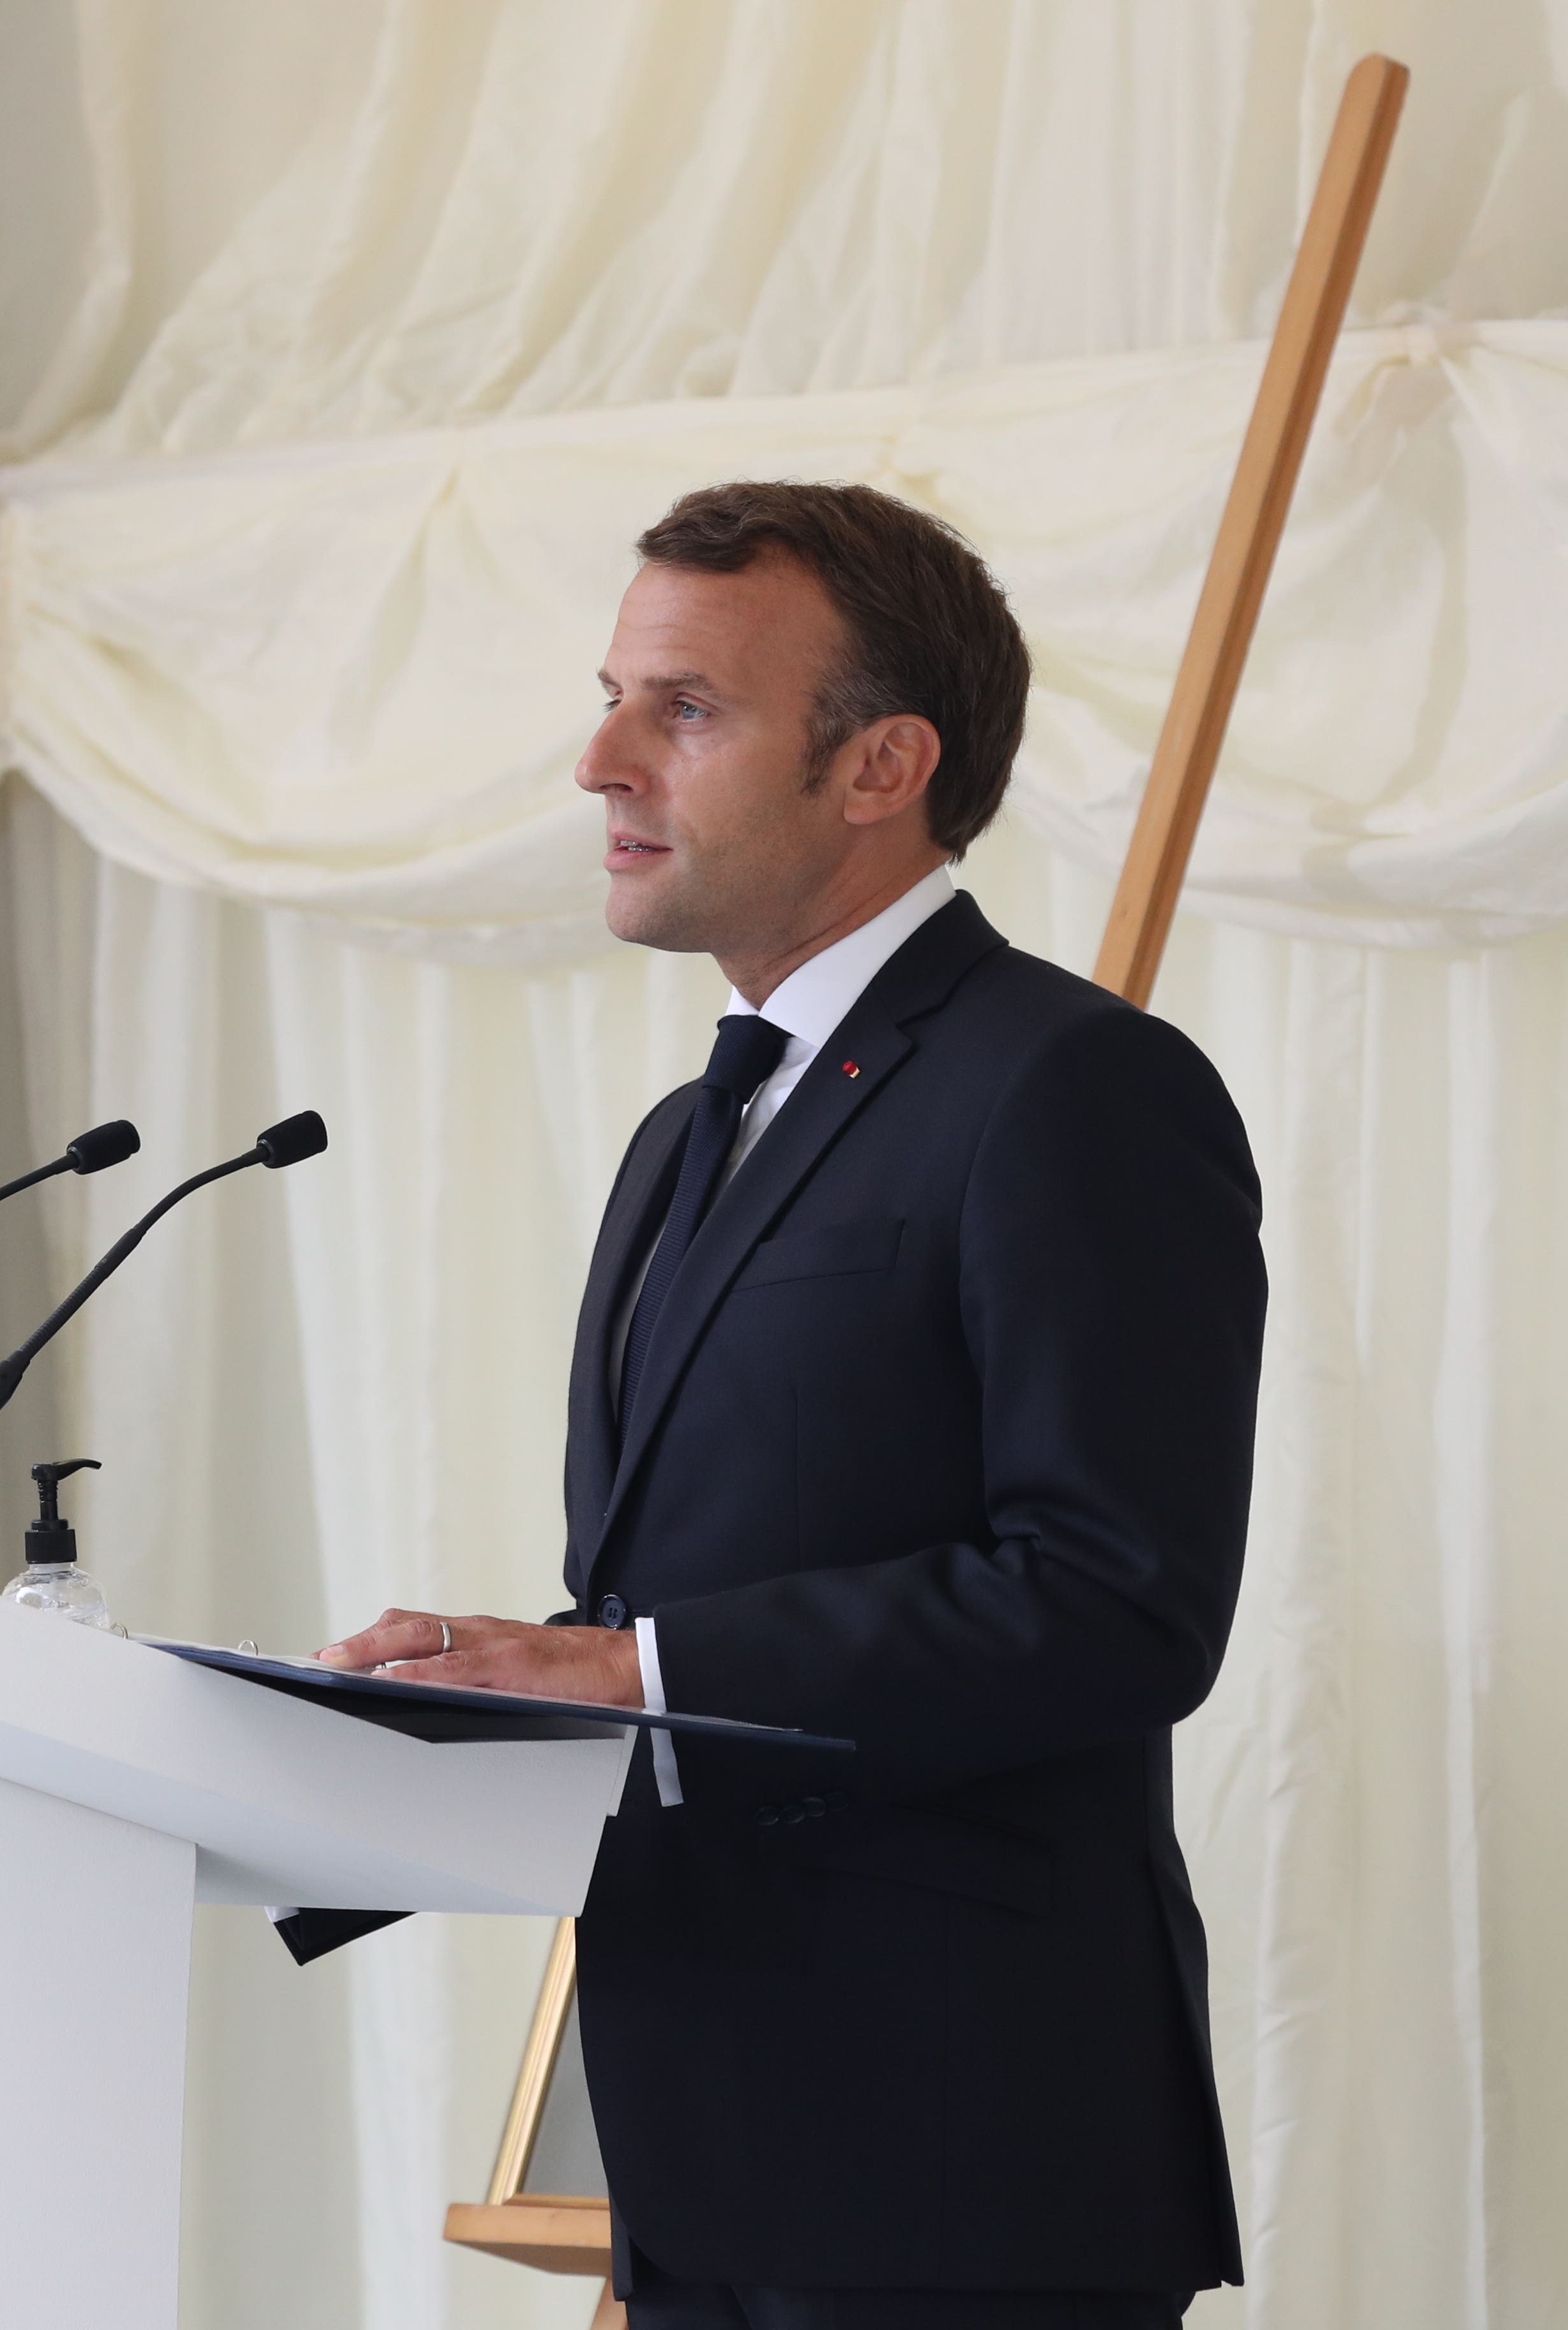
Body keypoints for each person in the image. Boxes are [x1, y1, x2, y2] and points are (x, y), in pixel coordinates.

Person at [323, 484, 1263, 2328]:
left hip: (964, 2166)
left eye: (682, 708)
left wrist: (637, 1668)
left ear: (879, 765)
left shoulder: (1074, 1088)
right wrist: (457, 1701)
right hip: (705, 2152)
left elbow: (1115, 1597)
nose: (598, 758)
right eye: (614, 694)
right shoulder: (696, 1132)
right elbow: (694, 1578)